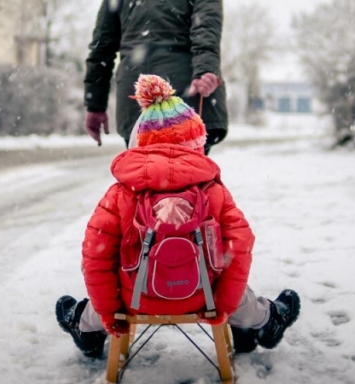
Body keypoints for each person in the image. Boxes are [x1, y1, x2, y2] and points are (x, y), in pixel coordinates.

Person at [56, 75, 299, 358]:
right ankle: (267, 320)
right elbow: (239, 246)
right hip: (202, 298)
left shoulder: (120, 194)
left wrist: (110, 313)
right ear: (197, 143)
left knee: (108, 290)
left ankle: (84, 327)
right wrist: (223, 305)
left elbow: (95, 256)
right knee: (237, 292)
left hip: (135, 300)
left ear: (140, 142)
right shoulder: (214, 192)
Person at [82, 0, 228, 154]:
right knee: (189, 172)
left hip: (137, 99)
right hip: (186, 94)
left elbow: (102, 47)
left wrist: (95, 104)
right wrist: (205, 69)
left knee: (145, 173)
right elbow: (206, 26)